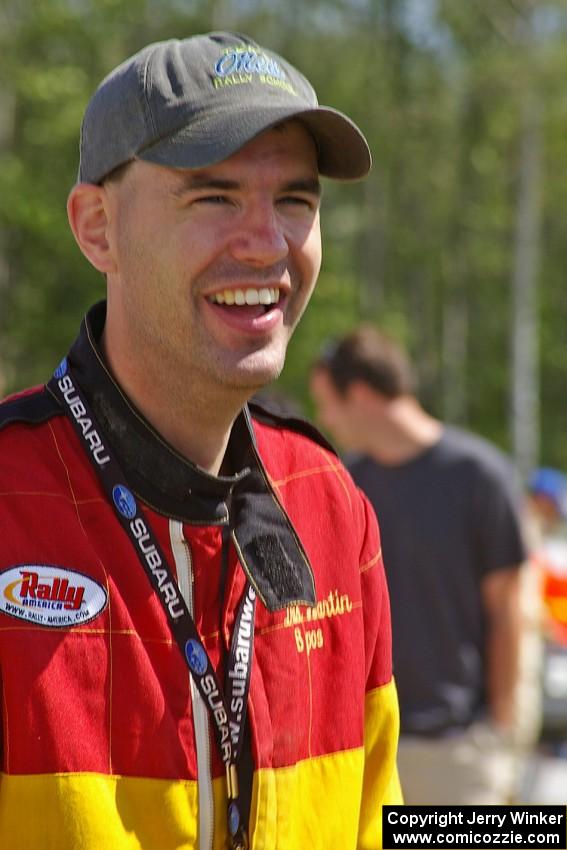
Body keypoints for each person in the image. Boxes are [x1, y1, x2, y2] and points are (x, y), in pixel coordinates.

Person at [0, 33, 402, 850]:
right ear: (96, 228)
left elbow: (382, 823)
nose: (267, 243)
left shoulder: (332, 504)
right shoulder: (9, 495)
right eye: (213, 198)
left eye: (295, 200)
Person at [310, 325, 528, 805]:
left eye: (328, 403)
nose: (325, 419)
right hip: (369, 744)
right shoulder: (346, 485)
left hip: (458, 751)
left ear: (362, 394)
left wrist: (499, 729)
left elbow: (508, 611)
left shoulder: (480, 477)